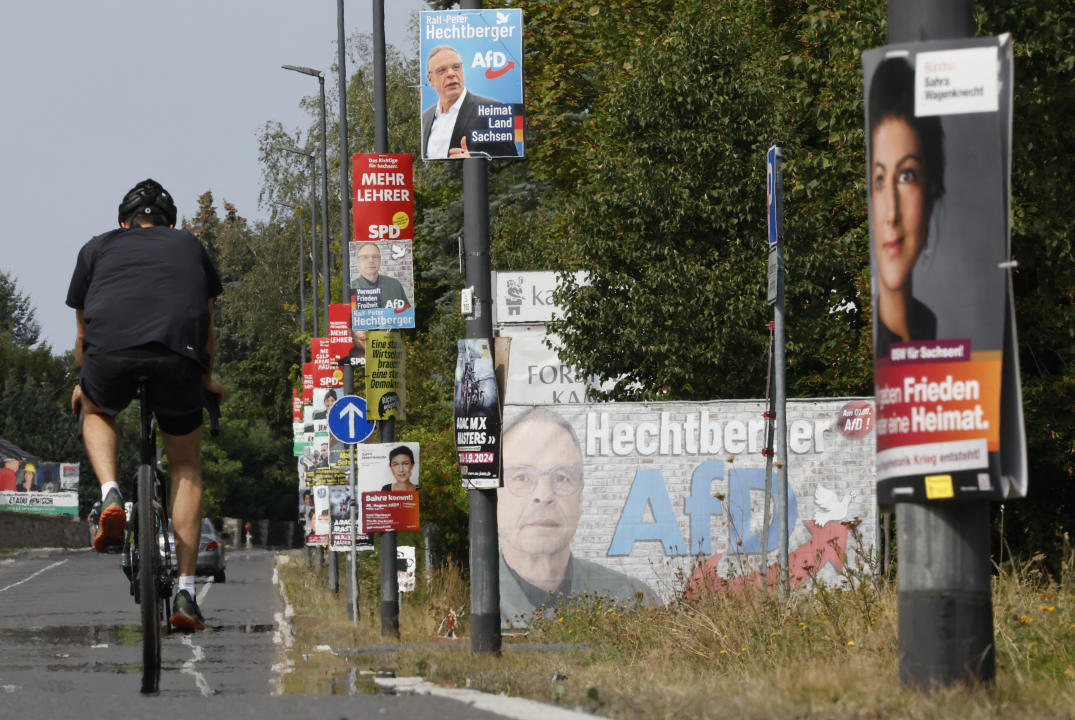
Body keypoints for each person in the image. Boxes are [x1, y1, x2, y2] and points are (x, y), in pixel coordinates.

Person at [66, 179, 226, 632]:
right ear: (170, 224)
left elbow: (83, 334)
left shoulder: (95, 249)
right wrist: (206, 378)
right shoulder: (189, 246)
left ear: (123, 222)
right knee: (186, 468)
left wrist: (85, 383)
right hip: (179, 358)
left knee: (97, 410)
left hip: (111, 356)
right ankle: (186, 593)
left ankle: (112, 493)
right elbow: (206, 322)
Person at [498, 407, 657, 626]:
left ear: (580, 496)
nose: (544, 496)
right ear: (495, 495)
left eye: (562, 478)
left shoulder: (636, 603)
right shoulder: (462, 602)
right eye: (522, 477)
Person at [868, 56, 944, 359]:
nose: (891, 213)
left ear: (932, 193)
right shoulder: (882, 345)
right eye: (878, 179)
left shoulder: (928, 325)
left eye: (906, 176)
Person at [421, 45, 519, 160]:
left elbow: (511, 164)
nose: (451, 74)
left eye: (456, 67)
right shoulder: (425, 118)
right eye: (442, 70)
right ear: (430, 79)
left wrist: (473, 162)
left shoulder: (492, 110)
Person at [353, 243, 410, 310]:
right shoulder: (351, 288)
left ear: (380, 260)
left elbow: (407, 314)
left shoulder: (395, 285)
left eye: (375, 257)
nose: (371, 260)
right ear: (358, 261)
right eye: (365, 257)